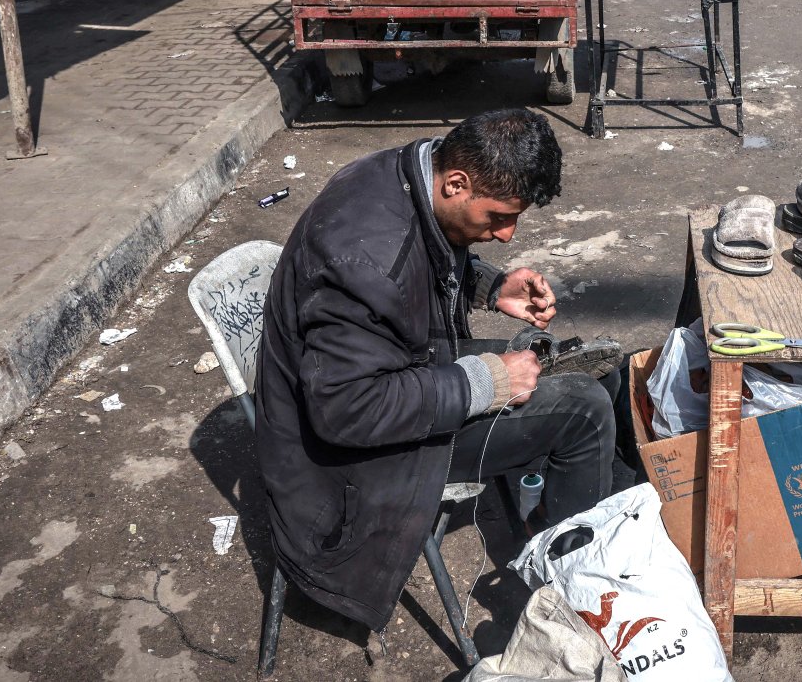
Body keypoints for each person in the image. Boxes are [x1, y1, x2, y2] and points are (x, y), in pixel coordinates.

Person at [256, 109, 624, 634]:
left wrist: (489, 286)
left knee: (581, 364)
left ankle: (558, 520)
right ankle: (575, 592)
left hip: (391, 372)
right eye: (498, 217)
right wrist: (489, 381)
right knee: (583, 410)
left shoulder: (413, 169)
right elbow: (345, 412)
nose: (506, 234)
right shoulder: (365, 261)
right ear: (457, 182)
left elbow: (422, 252)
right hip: (346, 462)